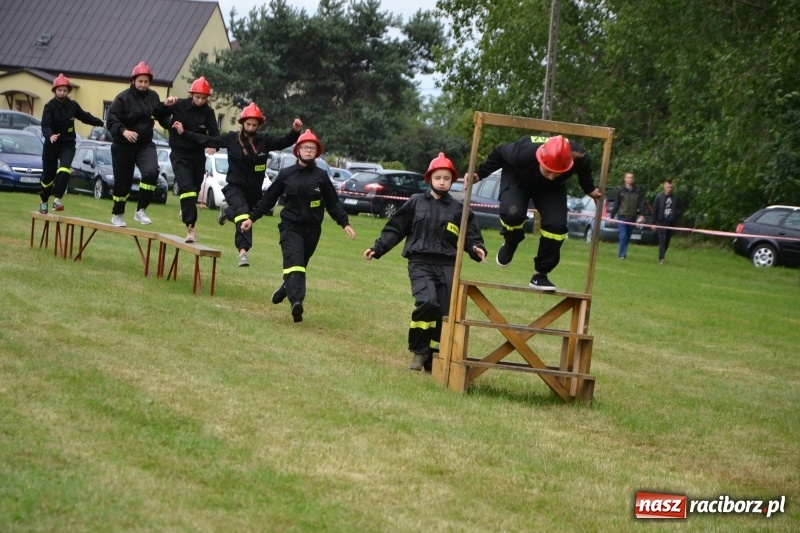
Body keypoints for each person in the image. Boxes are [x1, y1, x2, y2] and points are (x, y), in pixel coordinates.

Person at [365, 153, 487, 371]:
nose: (442, 182)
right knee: (427, 302)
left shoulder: (459, 209)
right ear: (429, 178)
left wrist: (477, 249)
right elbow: (396, 229)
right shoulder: (416, 202)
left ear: (452, 181)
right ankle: (419, 351)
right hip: (419, 262)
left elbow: (471, 238)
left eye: (447, 178)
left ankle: (434, 353)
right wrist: (378, 247)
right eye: (438, 177)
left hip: (447, 265)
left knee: (445, 312)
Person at [242, 130, 356, 323]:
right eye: (305, 148)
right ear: (298, 151)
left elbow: (333, 203)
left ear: (316, 152)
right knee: (294, 263)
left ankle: (286, 288)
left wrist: (344, 223)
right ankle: (297, 302)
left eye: (312, 148)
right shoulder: (286, 174)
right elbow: (268, 199)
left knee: (299, 265)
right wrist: (252, 218)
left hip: (312, 230)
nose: (309, 151)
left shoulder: (321, 176)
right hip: (290, 227)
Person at [173, 102, 301, 266]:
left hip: (254, 192)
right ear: (242, 123)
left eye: (254, 125)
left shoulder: (265, 140)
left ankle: (227, 211)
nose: (251, 127)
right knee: (243, 215)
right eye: (248, 124)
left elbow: (284, 142)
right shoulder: (231, 139)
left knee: (245, 215)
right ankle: (243, 252)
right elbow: (206, 139)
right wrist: (184, 133)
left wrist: (295, 131)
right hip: (234, 188)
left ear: (259, 125)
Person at [473, 135, 600, 291]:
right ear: (541, 159)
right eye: (549, 171)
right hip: (517, 178)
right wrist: (479, 174)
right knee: (512, 213)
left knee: (557, 227)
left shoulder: (578, 157)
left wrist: (590, 189)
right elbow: (499, 152)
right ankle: (512, 240)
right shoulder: (522, 152)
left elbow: (584, 171)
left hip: (550, 190)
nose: (551, 176)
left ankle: (540, 274)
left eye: (557, 173)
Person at [106, 62, 176, 227]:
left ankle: (141, 210)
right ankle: (118, 214)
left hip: (144, 144)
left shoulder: (153, 97)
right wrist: (124, 131)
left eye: (146, 81)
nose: (143, 84)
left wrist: (170, 118)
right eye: (140, 81)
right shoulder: (123, 98)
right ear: (133, 80)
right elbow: (111, 119)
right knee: (123, 183)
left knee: (151, 173)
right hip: (123, 145)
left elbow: (160, 116)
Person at [158, 76, 219, 243]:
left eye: (204, 98)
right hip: (179, 154)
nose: (200, 101)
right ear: (191, 94)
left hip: (197, 155)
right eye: (197, 97)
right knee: (187, 188)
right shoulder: (179, 105)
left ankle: (185, 209)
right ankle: (190, 229)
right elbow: (158, 115)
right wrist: (165, 107)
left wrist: (214, 145)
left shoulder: (208, 113)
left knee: (194, 189)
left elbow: (215, 134)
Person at [38, 73, 105, 214]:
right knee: (48, 176)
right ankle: (43, 201)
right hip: (51, 144)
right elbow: (45, 124)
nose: (62, 93)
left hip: (67, 144)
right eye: (59, 90)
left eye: (65, 90)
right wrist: (50, 135)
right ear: (54, 90)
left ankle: (57, 200)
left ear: (68, 91)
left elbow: (85, 116)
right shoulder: (49, 106)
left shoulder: (72, 105)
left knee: (64, 169)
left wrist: (101, 123)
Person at [608, 171, 645, 260]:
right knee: (623, 236)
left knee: (627, 237)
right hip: (622, 216)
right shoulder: (620, 191)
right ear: (625, 179)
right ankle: (622, 255)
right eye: (629, 177)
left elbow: (641, 203)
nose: (630, 179)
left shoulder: (637, 191)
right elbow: (616, 204)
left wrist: (642, 214)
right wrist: (612, 216)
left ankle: (623, 252)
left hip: (632, 217)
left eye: (632, 177)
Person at [652, 179, 683, 264]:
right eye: (668, 187)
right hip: (661, 222)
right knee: (662, 240)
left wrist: (675, 215)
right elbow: (655, 210)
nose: (669, 189)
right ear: (664, 187)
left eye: (671, 187)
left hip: (671, 222)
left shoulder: (676, 197)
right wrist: (653, 222)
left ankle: (662, 254)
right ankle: (661, 258)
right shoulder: (659, 197)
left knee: (667, 241)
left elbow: (680, 208)